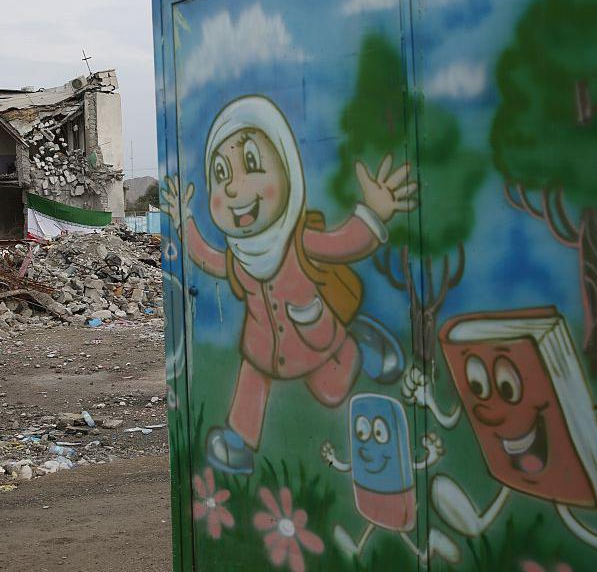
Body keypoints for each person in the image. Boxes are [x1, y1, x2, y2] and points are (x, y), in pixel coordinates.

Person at [162, 95, 417, 474]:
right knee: (253, 379)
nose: (233, 188)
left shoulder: (297, 240)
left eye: (250, 163)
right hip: (263, 346)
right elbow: (209, 260)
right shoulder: (241, 254)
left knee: (332, 390)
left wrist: (374, 213)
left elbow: (344, 243)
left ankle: (357, 342)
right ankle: (240, 441)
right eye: (220, 173)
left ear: (289, 170)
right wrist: (185, 224)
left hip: (315, 336)